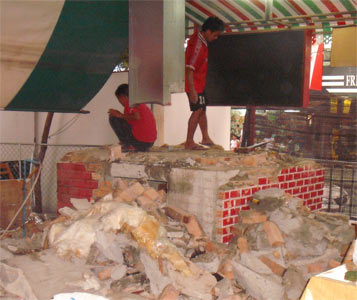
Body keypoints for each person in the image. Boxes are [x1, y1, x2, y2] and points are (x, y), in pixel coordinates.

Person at [184, 16, 224, 150]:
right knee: (197, 109)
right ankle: (189, 141)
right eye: (215, 35)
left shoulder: (201, 40)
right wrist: (192, 91)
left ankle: (205, 137)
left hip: (200, 83)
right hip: (194, 84)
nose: (216, 38)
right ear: (207, 31)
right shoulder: (198, 45)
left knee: (202, 109)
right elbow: (189, 69)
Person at [108, 84, 157, 152]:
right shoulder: (138, 103)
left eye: (119, 99)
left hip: (141, 143)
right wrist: (119, 114)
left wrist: (119, 115)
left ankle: (128, 145)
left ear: (123, 96)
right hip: (148, 143)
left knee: (113, 118)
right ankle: (129, 144)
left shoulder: (131, 103)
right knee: (117, 117)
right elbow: (132, 120)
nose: (120, 102)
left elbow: (137, 117)